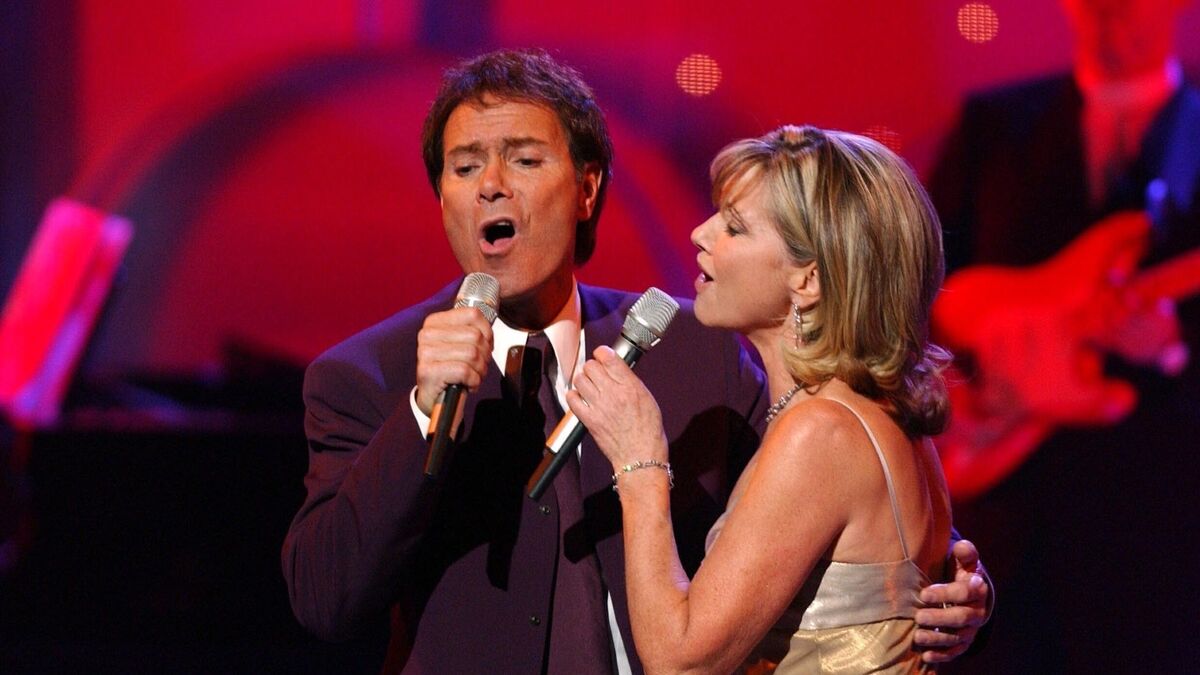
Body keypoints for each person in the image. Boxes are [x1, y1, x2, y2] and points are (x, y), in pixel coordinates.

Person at [282, 49, 988, 673]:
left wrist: (948, 584)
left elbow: (835, 500)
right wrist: (421, 412)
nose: (491, 184)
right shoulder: (367, 373)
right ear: (442, 196)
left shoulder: (697, 346)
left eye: (524, 159)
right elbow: (325, 600)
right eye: (464, 167)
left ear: (587, 188)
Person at [570, 125, 959, 673]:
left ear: (809, 280)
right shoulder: (879, 415)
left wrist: (640, 465)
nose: (700, 233)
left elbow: (681, 663)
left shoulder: (819, 432)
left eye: (735, 227)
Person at [929, 0, 1200, 670]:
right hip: (1008, 533)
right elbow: (915, 288)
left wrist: (1172, 349)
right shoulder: (992, 125)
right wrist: (968, 389)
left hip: (1161, 538)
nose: (1114, 13)